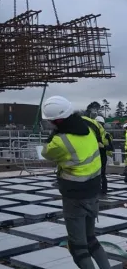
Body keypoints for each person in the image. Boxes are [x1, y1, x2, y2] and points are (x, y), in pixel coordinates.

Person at [41, 96, 111, 269]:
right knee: (91, 239)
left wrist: (56, 132)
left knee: (78, 248)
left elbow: (46, 153)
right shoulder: (88, 124)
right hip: (93, 191)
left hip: (75, 197)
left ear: (56, 121)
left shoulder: (60, 141)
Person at [81, 115, 112, 196]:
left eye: (100, 124)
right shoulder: (90, 133)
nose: (99, 126)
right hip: (93, 156)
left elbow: (111, 147)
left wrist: (103, 146)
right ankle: (94, 189)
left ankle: (103, 191)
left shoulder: (106, 135)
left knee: (102, 174)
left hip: (102, 156)